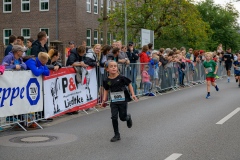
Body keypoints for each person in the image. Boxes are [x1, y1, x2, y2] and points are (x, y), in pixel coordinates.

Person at [101, 60, 138, 142]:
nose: (113, 68)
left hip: (123, 100)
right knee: (114, 117)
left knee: (122, 118)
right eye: (111, 66)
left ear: (117, 68)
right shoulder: (107, 80)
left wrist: (133, 94)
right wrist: (104, 99)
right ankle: (116, 134)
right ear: (107, 69)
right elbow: (106, 90)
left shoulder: (121, 77)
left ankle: (128, 118)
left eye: (115, 66)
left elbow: (129, 84)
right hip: (114, 101)